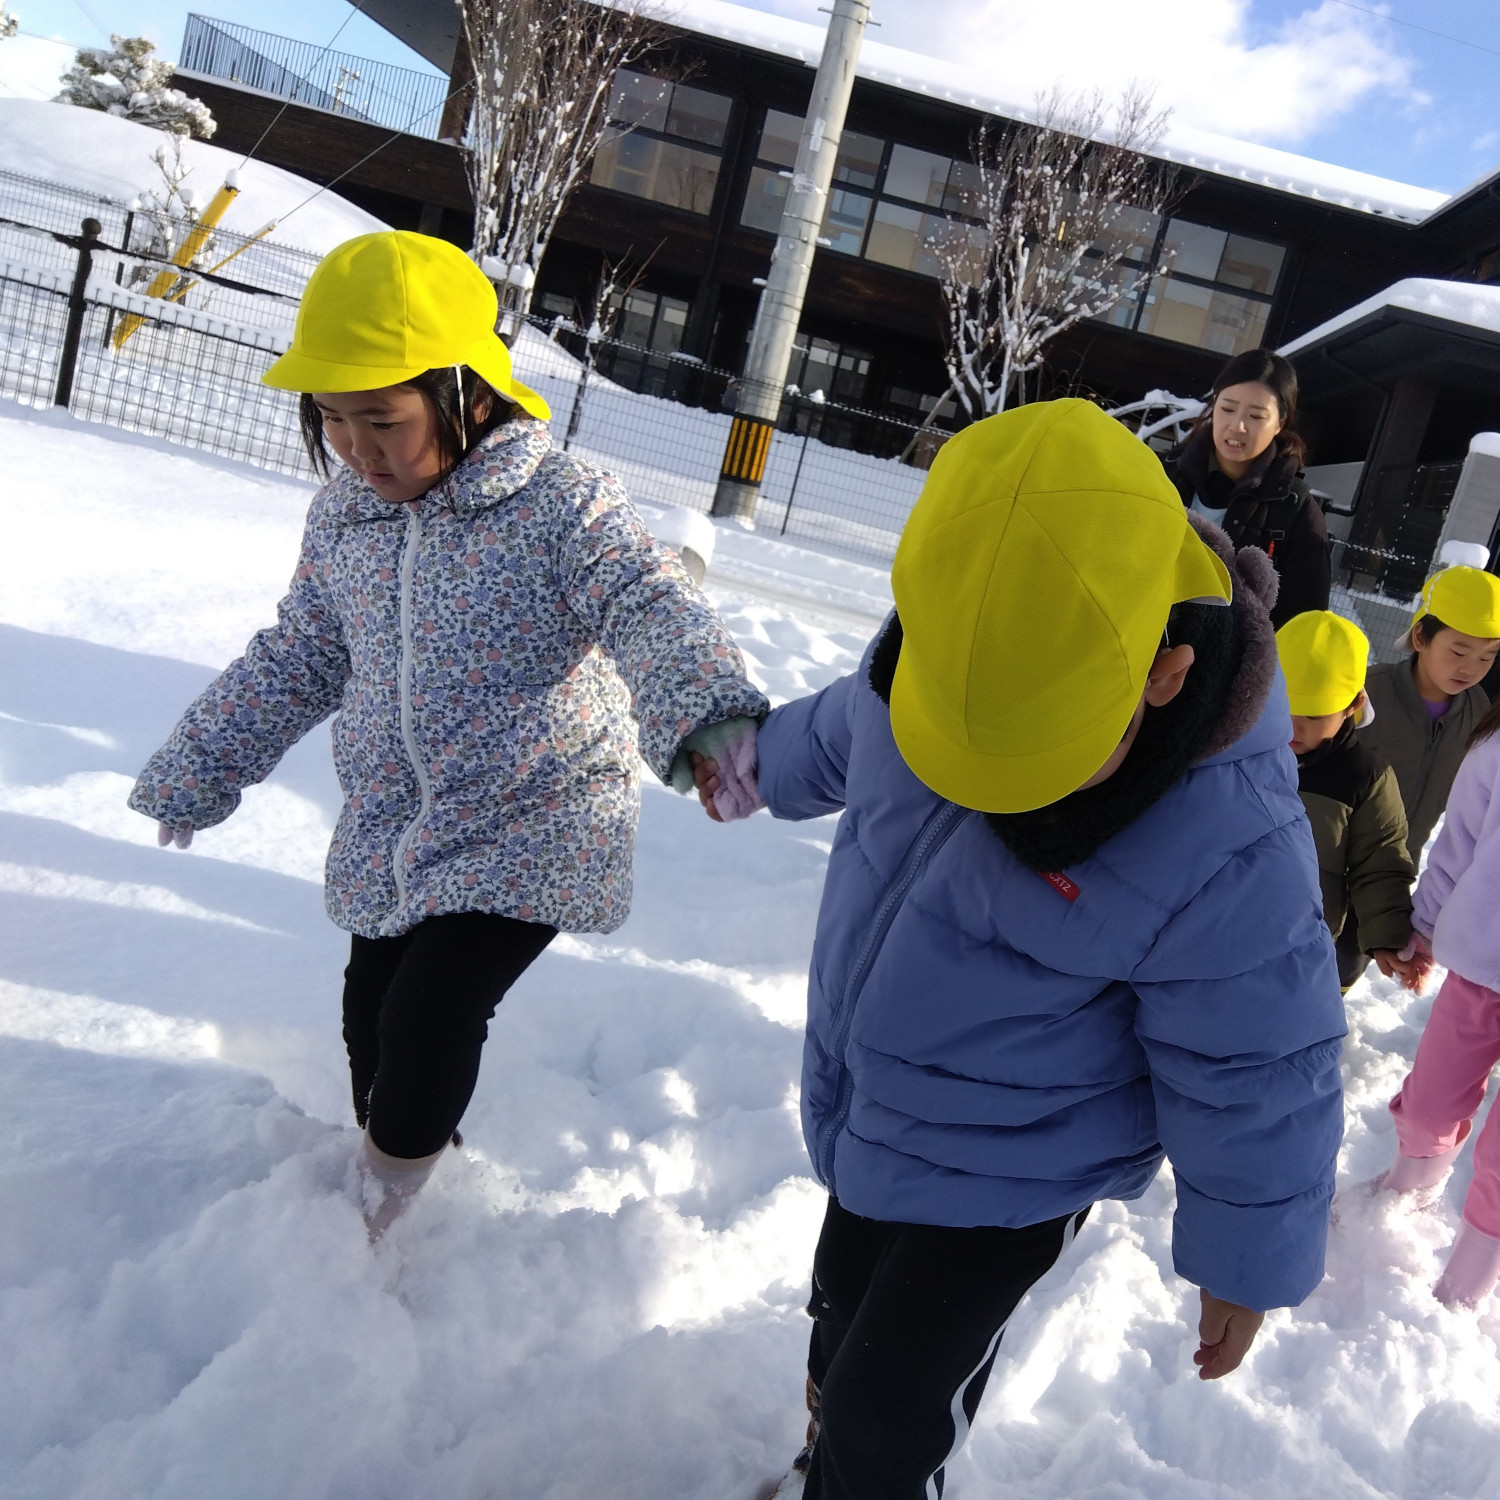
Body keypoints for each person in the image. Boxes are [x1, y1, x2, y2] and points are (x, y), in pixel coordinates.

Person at [695, 400, 1345, 1500]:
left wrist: (1246, 1261)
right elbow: (847, 727)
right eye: (952, 740)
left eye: (1029, 759)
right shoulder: (939, 652)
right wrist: (756, 761)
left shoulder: (1224, 835)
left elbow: (1259, 1059)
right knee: (840, 1310)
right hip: (877, 1104)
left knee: (893, 1405)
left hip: (1021, 1164)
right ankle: (830, 1451)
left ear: (1163, 673)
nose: (980, 782)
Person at [128, 231, 768, 1236]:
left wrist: (705, 715)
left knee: (430, 1013)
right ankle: (428, 1193)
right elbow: (300, 653)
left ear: (467, 394)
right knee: (371, 1026)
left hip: (537, 818)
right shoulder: (346, 519)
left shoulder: (560, 504)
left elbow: (648, 604)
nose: (355, 448)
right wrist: (203, 762)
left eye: (382, 419)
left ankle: (379, 1223)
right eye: (331, 418)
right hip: (398, 831)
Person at [1376, 697, 1500, 1310]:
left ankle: (1465, 1288)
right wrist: (1423, 925)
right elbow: (1459, 843)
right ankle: (1403, 1198)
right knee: (1429, 1107)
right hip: (1482, 968)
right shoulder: (1496, 746)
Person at [1276, 611, 1422, 992]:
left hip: (1313, 950)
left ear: (1353, 704)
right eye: (1282, 704)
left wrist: (1387, 934)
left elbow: (1380, 861)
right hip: (1231, 934)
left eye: (1313, 714)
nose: (1293, 724)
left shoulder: (1363, 777)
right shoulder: (1242, 754)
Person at [1162, 348, 1329, 628]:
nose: (1237, 426)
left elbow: (1304, 625)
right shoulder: (1163, 476)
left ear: (1280, 423)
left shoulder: (1296, 511)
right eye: (1227, 409)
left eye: (1256, 416)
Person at [1359, 564, 1500, 857]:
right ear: (1420, 637)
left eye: (1487, 657)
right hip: (1328, 861)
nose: (1470, 669)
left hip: (1400, 868)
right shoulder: (1367, 693)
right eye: (1459, 652)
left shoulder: (1478, 712)